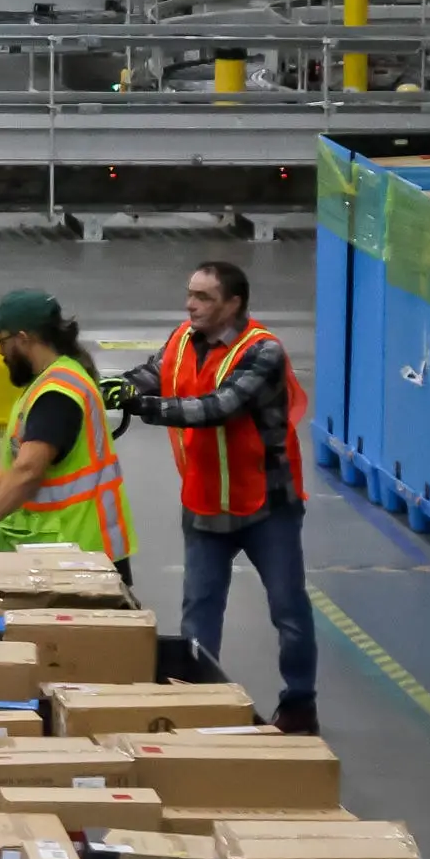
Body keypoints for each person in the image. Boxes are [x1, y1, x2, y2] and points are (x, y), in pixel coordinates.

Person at [112, 260, 318, 734]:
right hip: (205, 500)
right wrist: (122, 386)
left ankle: (300, 703)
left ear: (233, 303)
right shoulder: (182, 338)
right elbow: (153, 372)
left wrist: (143, 406)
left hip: (266, 504)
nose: (191, 305)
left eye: (203, 297)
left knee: (288, 608)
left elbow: (218, 407)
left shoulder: (262, 350)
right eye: (190, 294)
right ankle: (198, 701)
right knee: (199, 610)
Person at [0, 287, 135, 582]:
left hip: (76, 557)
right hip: (59, 550)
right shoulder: (47, 381)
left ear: (23, 338)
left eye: (1, 341)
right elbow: (14, 459)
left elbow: (28, 470)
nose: (1, 352)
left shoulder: (57, 394)